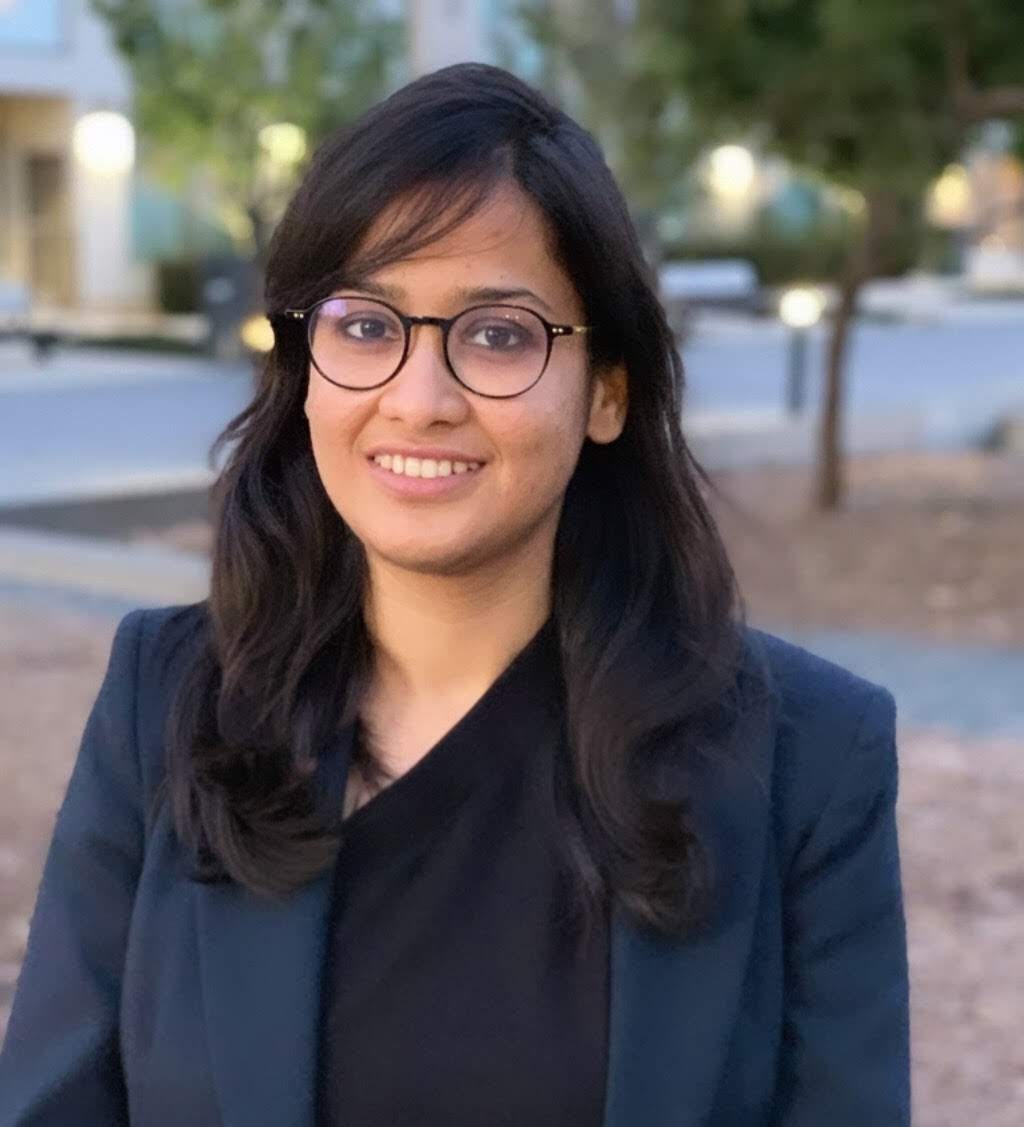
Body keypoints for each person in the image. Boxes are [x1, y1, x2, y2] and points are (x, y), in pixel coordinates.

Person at [0, 63, 910, 1125]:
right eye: (365, 324)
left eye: (498, 334)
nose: (418, 399)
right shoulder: (166, 703)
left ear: (607, 391)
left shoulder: (806, 758)